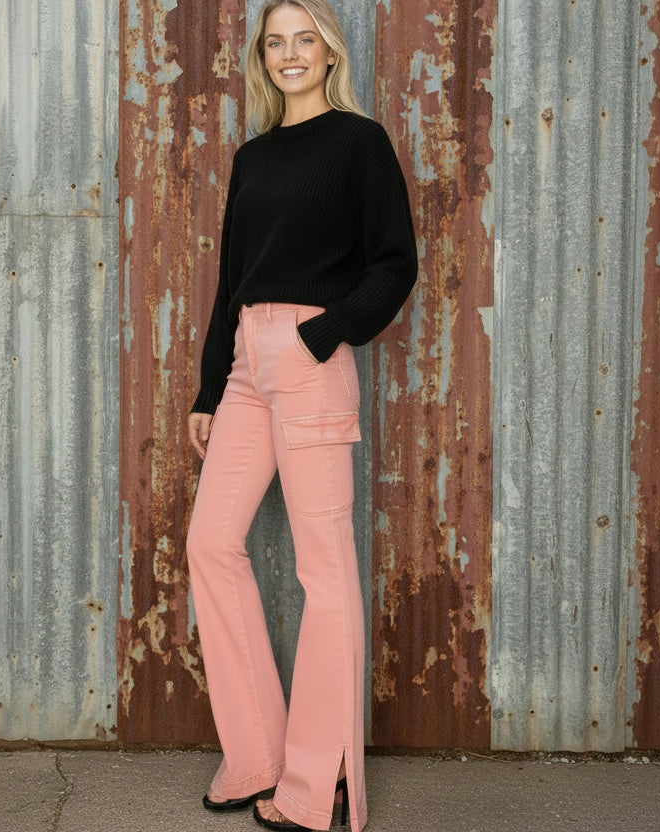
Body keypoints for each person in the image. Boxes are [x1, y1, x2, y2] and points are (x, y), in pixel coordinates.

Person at [185, 1, 417, 829]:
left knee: (325, 573)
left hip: (313, 359)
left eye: (303, 40)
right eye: (275, 42)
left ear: (327, 53)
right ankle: (258, 755)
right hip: (250, 363)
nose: (290, 54)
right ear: (263, 57)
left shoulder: (361, 143)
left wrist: (325, 333)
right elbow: (231, 280)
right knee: (211, 542)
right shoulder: (252, 157)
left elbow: (395, 263)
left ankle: (318, 786)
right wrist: (212, 389)